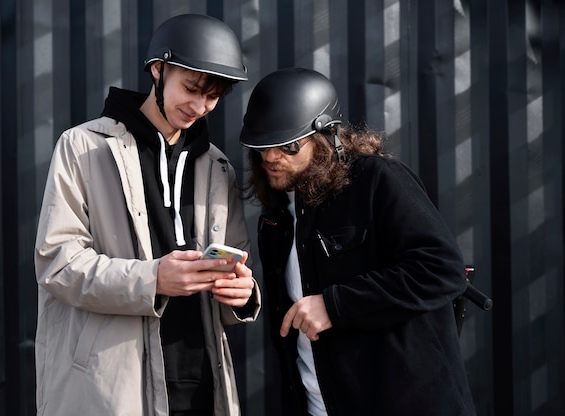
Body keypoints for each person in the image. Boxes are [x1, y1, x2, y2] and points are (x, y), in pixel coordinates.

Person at [34, 14, 260, 416]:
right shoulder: (83, 147)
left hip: (203, 384)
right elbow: (58, 264)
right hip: (112, 387)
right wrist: (153, 279)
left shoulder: (217, 166)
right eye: (190, 88)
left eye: (212, 97)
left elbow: (235, 262)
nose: (199, 106)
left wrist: (241, 294)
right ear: (158, 70)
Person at [240, 67, 475, 415]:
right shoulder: (277, 217)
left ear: (324, 135)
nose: (272, 157)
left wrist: (336, 306)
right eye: (264, 147)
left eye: (288, 145)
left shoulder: (376, 180)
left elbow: (442, 270)